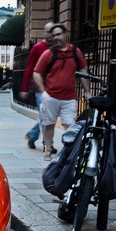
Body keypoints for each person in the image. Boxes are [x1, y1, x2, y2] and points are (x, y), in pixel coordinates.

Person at [33, 23, 92, 161]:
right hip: (50, 96)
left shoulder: (75, 52)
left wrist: (87, 92)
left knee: (70, 126)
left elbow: (83, 71)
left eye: (58, 34)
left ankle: (70, 151)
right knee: (49, 124)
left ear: (66, 34)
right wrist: (43, 93)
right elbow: (37, 73)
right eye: (53, 36)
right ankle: (48, 149)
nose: (56, 38)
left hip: (69, 98)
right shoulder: (49, 53)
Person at [20, 21, 56, 151]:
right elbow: (30, 68)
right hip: (41, 89)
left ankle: (33, 134)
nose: (50, 34)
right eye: (47, 31)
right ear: (44, 33)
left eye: (52, 31)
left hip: (55, 89)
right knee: (46, 115)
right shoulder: (38, 48)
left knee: (48, 116)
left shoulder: (59, 48)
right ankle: (48, 144)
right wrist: (24, 88)